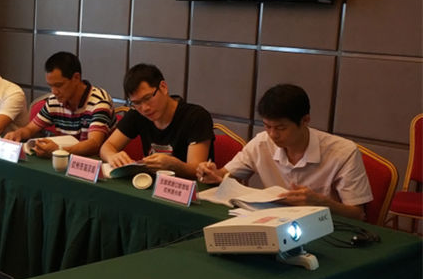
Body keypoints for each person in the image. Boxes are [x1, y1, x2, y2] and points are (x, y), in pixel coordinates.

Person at [196, 84, 372, 221]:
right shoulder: (261, 143)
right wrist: (211, 173)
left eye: (281, 128)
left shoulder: (343, 153)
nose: (273, 135)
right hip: (273, 222)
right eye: (267, 126)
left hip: (324, 227)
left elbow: (358, 214)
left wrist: (322, 203)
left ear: (305, 120)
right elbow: (224, 175)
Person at [100, 63, 213, 179]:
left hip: (186, 187)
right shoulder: (137, 114)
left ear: (163, 87)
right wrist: (112, 156)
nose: (145, 108)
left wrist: (174, 165)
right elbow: (107, 147)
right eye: (136, 103)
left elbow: (197, 171)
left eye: (148, 98)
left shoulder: (196, 117)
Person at [4, 51, 113, 157]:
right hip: (64, 159)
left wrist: (59, 150)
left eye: (59, 85)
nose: (54, 91)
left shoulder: (99, 102)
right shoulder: (54, 100)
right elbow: (30, 129)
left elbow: (94, 144)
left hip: (94, 163)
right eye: (50, 86)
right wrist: (18, 134)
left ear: (76, 78)